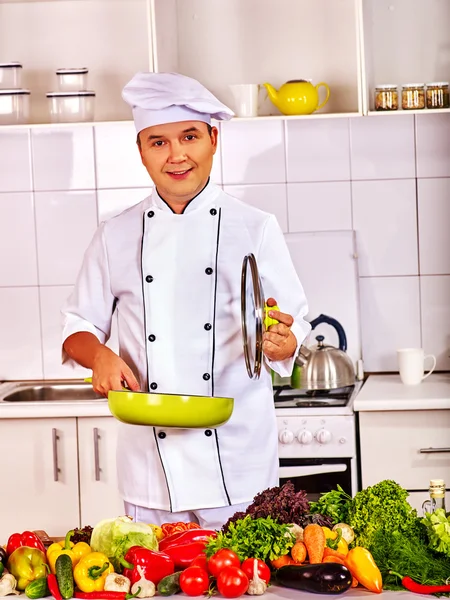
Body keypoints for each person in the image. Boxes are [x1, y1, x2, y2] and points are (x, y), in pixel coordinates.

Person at [61, 72, 310, 529]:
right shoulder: (115, 234)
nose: (176, 155)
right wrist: (97, 354)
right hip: (151, 471)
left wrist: (284, 342)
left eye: (189, 137)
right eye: (158, 142)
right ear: (140, 150)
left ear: (213, 140)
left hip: (238, 466)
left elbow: (294, 331)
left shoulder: (255, 228)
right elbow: (76, 328)